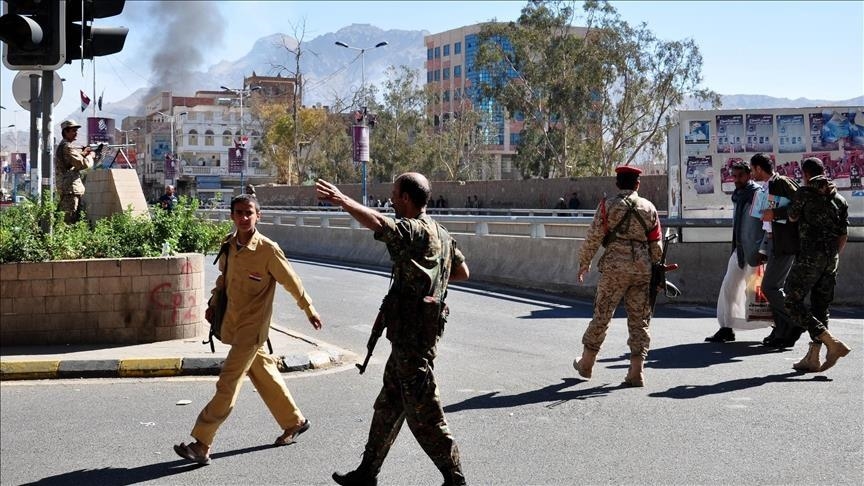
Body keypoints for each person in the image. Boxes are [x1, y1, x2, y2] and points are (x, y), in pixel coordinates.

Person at [316, 173, 470, 486]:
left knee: (425, 413)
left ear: (406, 199)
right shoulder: (441, 233)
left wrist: (342, 200)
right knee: (388, 405)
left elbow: (379, 223)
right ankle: (367, 472)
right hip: (409, 338)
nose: (391, 200)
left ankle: (455, 479)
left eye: (395, 194)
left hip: (414, 341)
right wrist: (428, 282)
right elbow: (462, 271)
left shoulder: (414, 229)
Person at [173, 193, 323, 466]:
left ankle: (202, 442)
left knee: (227, 382)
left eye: (249, 213)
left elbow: (291, 280)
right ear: (232, 216)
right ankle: (295, 421)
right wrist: (213, 304)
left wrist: (309, 308)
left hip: (253, 328)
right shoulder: (229, 245)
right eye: (239, 213)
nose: (244, 218)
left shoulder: (268, 250)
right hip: (234, 321)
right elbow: (224, 279)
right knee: (263, 372)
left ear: (258, 216)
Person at [573, 166, 663, 387]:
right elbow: (657, 247)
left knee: (602, 314)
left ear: (617, 183)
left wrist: (584, 263)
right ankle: (636, 371)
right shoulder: (649, 208)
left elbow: (594, 237)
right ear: (637, 184)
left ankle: (587, 363)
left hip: (614, 270)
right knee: (640, 320)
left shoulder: (608, 205)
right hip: (641, 271)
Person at [783, 157, 851, 373]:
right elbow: (843, 235)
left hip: (809, 258)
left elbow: (792, 217)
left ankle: (830, 342)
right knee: (821, 307)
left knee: (791, 300)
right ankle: (814, 357)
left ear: (805, 174)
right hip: (831, 259)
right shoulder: (839, 198)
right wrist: (831, 257)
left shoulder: (804, 193)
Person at [705, 160, 769, 342]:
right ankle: (726, 327)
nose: (736, 179)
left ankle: (778, 326)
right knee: (729, 288)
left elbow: (767, 223)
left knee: (760, 292)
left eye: (740, 176)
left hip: (755, 250)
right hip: (739, 250)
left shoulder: (759, 194)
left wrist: (763, 248)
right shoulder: (738, 195)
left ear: (749, 175)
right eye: (734, 176)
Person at [750, 153, 801, 348]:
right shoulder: (765, 187)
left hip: (785, 243)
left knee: (769, 287)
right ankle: (782, 332)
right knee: (773, 288)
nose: (752, 173)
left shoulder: (782, 183)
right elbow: (767, 223)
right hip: (773, 242)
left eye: (752, 169)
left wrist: (776, 213)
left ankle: (797, 320)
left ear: (759, 168)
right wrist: (764, 248)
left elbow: (799, 205)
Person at [55, 119, 96, 224]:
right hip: (70, 189)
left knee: (69, 218)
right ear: (66, 132)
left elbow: (69, 163)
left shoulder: (64, 146)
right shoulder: (67, 147)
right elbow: (82, 164)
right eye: (73, 130)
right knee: (70, 220)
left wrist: (83, 154)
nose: (76, 133)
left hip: (67, 188)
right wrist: (91, 157)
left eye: (76, 130)